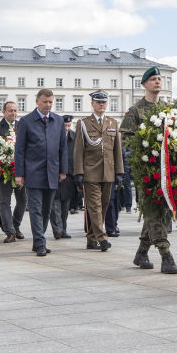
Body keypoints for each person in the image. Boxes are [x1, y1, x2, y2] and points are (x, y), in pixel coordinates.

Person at [121, 66, 177, 273]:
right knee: (153, 210)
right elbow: (125, 138)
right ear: (144, 84)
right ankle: (166, 254)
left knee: (160, 210)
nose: (157, 82)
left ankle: (141, 252)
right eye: (153, 79)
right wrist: (145, 143)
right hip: (145, 170)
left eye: (159, 79)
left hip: (166, 170)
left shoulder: (167, 109)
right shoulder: (135, 110)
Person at [15, 89, 68, 256]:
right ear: (37, 101)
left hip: (52, 172)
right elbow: (20, 150)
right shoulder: (26, 121)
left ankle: (39, 239)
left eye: (51, 102)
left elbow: (63, 148)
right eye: (45, 101)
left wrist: (63, 170)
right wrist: (19, 173)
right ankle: (40, 242)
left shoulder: (58, 121)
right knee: (36, 208)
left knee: (46, 209)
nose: (48, 105)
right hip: (33, 172)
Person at [73, 92, 124, 251]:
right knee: (95, 207)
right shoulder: (83, 123)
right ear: (92, 104)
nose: (101, 105)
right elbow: (78, 150)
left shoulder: (113, 123)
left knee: (103, 205)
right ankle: (102, 238)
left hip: (108, 171)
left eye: (104, 102)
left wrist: (120, 172)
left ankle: (91, 238)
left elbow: (117, 151)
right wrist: (79, 173)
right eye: (98, 102)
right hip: (90, 171)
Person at [0, 102, 25, 242]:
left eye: (15, 111)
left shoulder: (22, 125)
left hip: (21, 170)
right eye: (10, 111)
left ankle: (15, 225)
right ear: (4, 112)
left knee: (23, 200)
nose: (13, 113)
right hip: (4, 170)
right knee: (5, 201)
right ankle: (10, 232)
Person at [50, 115, 76, 240]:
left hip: (68, 177)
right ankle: (57, 230)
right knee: (55, 206)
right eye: (65, 125)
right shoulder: (53, 135)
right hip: (55, 175)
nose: (67, 128)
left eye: (69, 125)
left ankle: (63, 229)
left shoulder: (74, 137)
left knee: (65, 206)